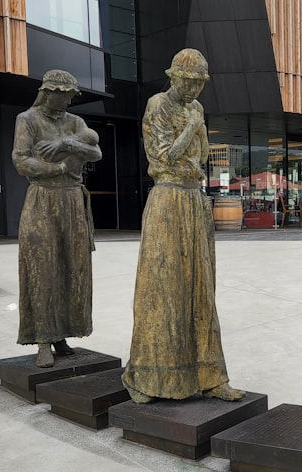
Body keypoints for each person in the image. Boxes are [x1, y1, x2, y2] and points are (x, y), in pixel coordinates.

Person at [122, 48, 244, 403]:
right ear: (173, 77)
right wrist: (193, 127)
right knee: (162, 289)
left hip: (194, 199)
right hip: (167, 199)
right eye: (188, 82)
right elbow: (165, 157)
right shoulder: (158, 105)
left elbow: (202, 156)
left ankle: (210, 376)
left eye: (199, 85)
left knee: (201, 287)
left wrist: (197, 127)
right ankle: (146, 377)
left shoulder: (197, 109)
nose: (193, 91)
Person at [12, 69, 102, 368]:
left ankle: (62, 334)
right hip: (43, 199)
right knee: (43, 267)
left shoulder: (75, 122)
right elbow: (21, 160)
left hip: (72, 200)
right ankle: (42, 339)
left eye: (70, 97)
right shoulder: (27, 119)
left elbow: (96, 152)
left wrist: (68, 145)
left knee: (72, 266)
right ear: (47, 91)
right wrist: (59, 170)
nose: (66, 102)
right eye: (62, 95)